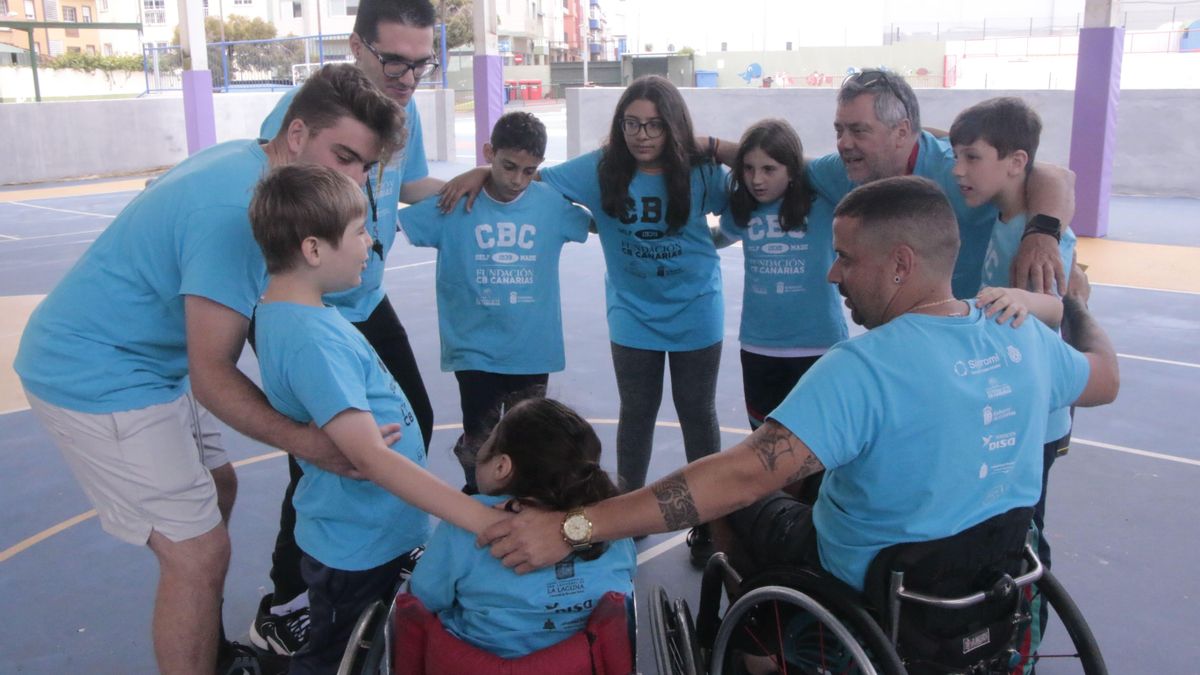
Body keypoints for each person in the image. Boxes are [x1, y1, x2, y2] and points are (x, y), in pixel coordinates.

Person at [478, 177, 1119, 601]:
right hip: (986, 575)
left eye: (846, 257)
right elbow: (1105, 378)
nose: (832, 273)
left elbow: (736, 479)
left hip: (873, 583)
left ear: (901, 263)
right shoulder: (1022, 336)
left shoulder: (863, 368)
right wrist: (1068, 305)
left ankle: (763, 642)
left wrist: (576, 526)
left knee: (734, 499)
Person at [13, 64, 403, 675]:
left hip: (146, 362)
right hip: (95, 372)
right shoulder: (236, 213)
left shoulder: (254, 164)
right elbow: (212, 374)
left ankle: (207, 651)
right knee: (196, 554)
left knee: (219, 488)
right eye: (344, 156)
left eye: (365, 167)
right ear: (297, 134)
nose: (353, 179)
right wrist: (311, 443)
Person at [440, 75, 730, 567]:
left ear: (674, 126)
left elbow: (753, 193)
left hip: (696, 309)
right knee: (636, 413)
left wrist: (712, 149)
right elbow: (530, 181)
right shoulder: (600, 168)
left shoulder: (700, 171)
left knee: (696, 414)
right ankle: (628, 516)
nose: (641, 134)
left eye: (655, 125)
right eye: (631, 123)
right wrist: (479, 173)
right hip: (633, 313)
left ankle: (710, 522)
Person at [249, 164, 503, 675]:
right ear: (313, 249)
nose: (372, 243)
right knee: (338, 657)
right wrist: (477, 516)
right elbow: (370, 458)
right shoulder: (312, 340)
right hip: (358, 547)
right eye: (359, 232)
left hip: (370, 534)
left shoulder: (300, 315)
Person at [252, 0, 447, 655]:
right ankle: (289, 600)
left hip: (364, 294)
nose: (408, 78)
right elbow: (276, 210)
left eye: (421, 64)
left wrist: (471, 184)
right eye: (395, 62)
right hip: (316, 299)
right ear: (356, 46)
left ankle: (390, 547)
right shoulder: (306, 120)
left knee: (412, 416)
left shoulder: (404, 114)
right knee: (322, 457)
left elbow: (409, 184)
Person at [709, 69, 1076, 300]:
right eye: (839, 130)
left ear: (901, 132)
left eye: (859, 131)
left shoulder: (957, 170)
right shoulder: (846, 171)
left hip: (978, 339)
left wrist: (1043, 237)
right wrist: (711, 146)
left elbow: (1055, 176)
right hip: (913, 333)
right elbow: (782, 164)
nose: (844, 143)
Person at [399, 112, 592, 493]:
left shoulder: (550, 205)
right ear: (489, 153)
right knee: (481, 440)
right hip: (474, 350)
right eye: (508, 166)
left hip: (531, 349)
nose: (517, 180)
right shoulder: (456, 200)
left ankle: (522, 503)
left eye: (529, 171)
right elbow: (389, 219)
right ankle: (477, 501)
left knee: (529, 443)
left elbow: (601, 218)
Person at [408, 396, 636, 658]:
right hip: (589, 662)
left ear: (501, 466)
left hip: (473, 663)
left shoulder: (462, 524)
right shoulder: (610, 525)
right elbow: (625, 585)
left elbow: (423, 598)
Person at [712, 119, 847, 435]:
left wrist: (714, 144)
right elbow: (716, 238)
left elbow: (851, 173)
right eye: (748, 168)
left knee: (820, 442)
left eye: (769, 169)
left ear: (794, 170)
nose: (757, 180)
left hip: (819, 346)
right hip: (760, 348)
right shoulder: (744, 207)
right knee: (765, 442)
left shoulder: (823, 203)